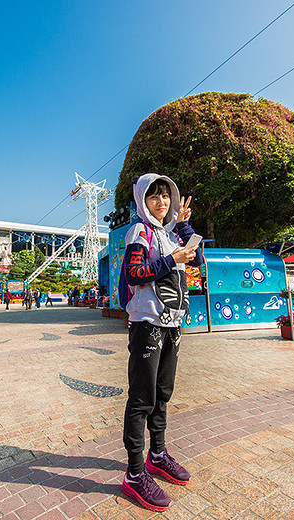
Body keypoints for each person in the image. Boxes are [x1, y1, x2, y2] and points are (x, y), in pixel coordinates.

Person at [120, 173, 204, 512]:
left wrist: (183, 227)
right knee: (142, 398)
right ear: (143, 200)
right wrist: (172, 260)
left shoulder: (170, 235)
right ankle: (134, 474)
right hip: (147, 324)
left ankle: (157, 455)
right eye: (153, 196)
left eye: (165, 195)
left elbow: (198, 260)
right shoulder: (139, 232)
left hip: (172, 325)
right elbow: (134, 273)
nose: (161, 202)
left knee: (162, 394)